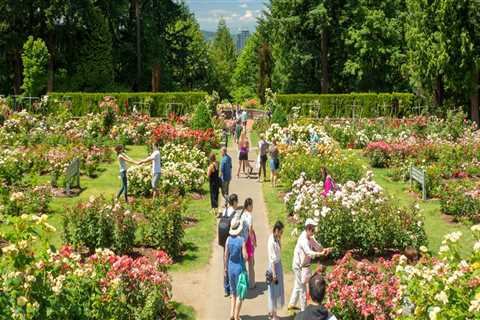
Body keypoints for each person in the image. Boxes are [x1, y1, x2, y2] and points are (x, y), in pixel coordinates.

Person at [288, 219, 332, 312]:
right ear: (307, 228)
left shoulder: (310, 237)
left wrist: (325, 249)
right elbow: (309, 253)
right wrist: (320, 254)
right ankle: (303, 311)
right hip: (298, 266)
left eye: (314, 229)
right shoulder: (303, 240)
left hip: (304, 265)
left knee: (298, 284)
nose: (313, 231)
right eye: (312, 229)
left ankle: (291, 304)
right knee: (302, 288)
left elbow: (317, 246)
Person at [224, 216, 248, 320]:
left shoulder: (228, 239)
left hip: (230, 267)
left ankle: (231, 314)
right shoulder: (241, 240)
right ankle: (236, 316)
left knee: (233, 293)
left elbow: (225, 255)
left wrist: (225, 268)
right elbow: (245, 256)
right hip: (239, 268)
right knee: (240, 294)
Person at [222, 194, 239, 297]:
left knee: (225, 263)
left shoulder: (225, 211)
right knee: (232, 263)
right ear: (234, 202)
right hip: (232, 240)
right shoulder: (235, 214)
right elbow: (235, 228)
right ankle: (234, 287)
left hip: (224, 240)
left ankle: (226, 288)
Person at [268, 221, 285, 320]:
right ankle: (274, 315)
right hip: (274, 267)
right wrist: (274, 274)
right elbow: (272, 260)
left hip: (277, 265)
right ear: (277, 230)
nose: (281, 234)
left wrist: (279, 239)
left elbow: (279, 250)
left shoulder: (275, 238)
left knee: (274, 291)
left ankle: (272, 313)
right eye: (281, 232)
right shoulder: (272, 241)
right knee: (275, 291)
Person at [238, 198, 256, 289]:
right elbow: (250, 231)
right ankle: (252, 283)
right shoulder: (249, 216)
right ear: (248, 206)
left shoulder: (241, 214)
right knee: (251, 263)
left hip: (241, 241)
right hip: (248, 241)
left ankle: (242, 281)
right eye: (252, 205)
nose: (252, 207)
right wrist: (253, 242)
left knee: (243, 263)